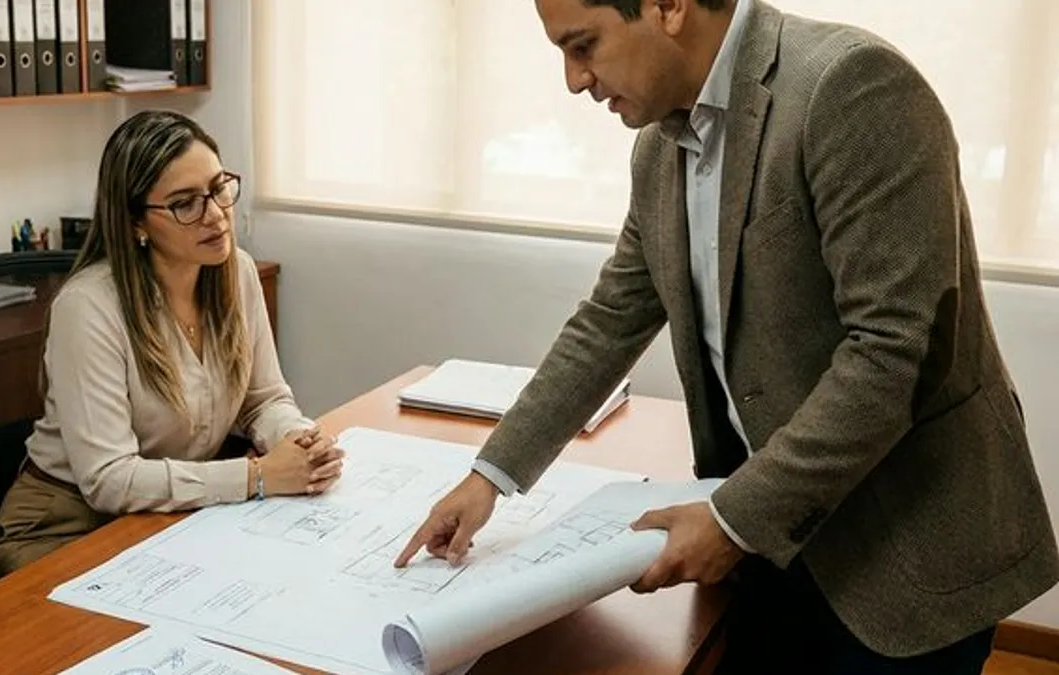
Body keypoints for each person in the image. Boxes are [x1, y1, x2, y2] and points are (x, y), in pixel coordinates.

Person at [394, 0, 1059, 672]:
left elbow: (897, 350)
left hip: (901, 550)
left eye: (584, 45)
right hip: (771, 540)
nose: (573, 80)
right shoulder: (659, 148)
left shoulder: (849, 86)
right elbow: (610, 319)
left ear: (669, 7)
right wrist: (490, 476)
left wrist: (734, 518)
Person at [0, 110, 344, 575]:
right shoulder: (89, 307)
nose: (215, 215)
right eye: (185, 204)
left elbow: (263, 399)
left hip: (170, 514)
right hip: (66, 526)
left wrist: (295, 442)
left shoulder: (236, 273)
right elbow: (109, 480)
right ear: (137, 222)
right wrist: (257, 476)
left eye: (219, 189)